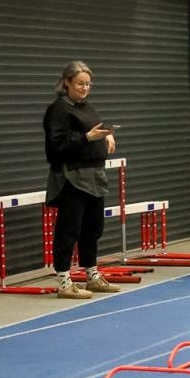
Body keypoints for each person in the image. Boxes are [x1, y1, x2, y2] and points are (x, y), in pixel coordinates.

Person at [43, 60, 118, 299]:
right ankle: (64, 281)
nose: (84, 88)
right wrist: (88, 137)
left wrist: (106, 136)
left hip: (94, 176)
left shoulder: (85, 106)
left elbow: (93, 130)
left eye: (88, 84)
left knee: (93, 228)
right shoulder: (58, 110)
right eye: (79, 84)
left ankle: (91, 274)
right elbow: (58, 145)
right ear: (66, 83)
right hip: (72, 177)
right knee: (69, 229)